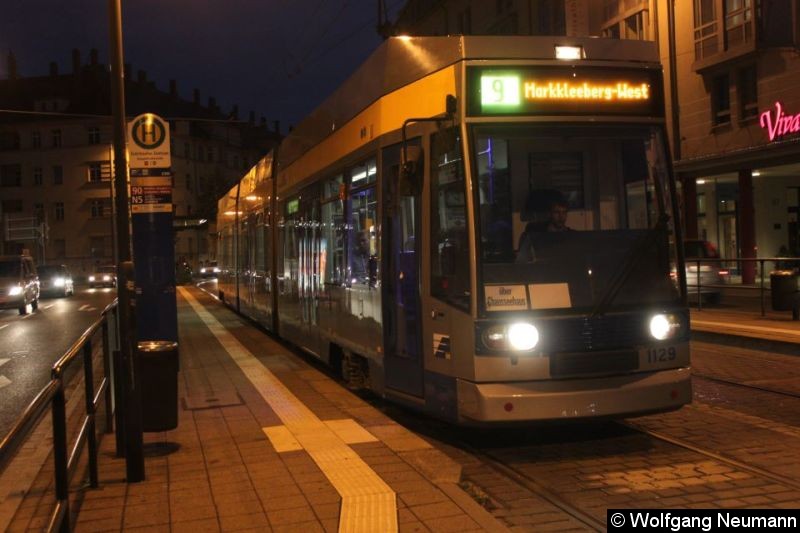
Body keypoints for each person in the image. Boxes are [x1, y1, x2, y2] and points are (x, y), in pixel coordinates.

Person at [516, 198, 571, 263]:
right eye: (556, 212)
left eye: (564, 212)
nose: (561, 216)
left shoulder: (571, 235)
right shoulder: (536, 236)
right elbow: (523, 260)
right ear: (550, 214)